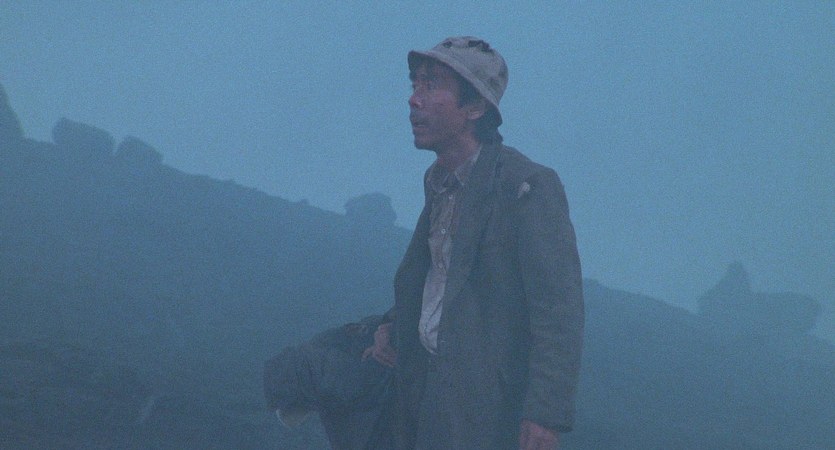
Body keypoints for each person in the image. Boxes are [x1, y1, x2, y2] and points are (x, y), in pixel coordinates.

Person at [364, 36, 584, 449]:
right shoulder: (439, 180)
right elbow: (440, 274)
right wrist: (393, 324)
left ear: (475, 107)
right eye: (415, 83)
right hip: (423, 389)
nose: (414, 99)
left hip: (482, 408)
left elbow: (558, 310)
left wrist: (545, 415)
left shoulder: (526, 186)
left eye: (432, 85)